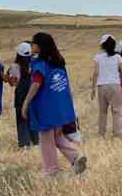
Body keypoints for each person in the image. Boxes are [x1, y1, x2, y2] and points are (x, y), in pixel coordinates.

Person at [22, 32, 87, 177]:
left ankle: (52, 171)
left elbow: (36, 84)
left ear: (39, 46)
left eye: (33, 43)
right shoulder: (58, 63)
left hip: (45, 107)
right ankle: (76, 156)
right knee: (56, 137)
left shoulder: (40, 65)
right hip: (60, 106)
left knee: (45, 139)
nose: (31, 45)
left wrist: (26, 102)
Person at [90, 34, 122, 137]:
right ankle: (117, 133)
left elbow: (96, 73)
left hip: (102, 86)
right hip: (115, 85)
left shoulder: (98, 57)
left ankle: (101, 134)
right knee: (117, 111)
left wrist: (93, 89)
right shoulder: (118, 57)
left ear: (102, 45)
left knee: (102, 112)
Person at [6, 41, 39, 149]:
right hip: (34, 95)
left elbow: (13, 83)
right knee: (33, 118)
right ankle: (36, 141)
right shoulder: (35, 63)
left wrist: (8, 78)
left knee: (22, 120)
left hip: (20, 96)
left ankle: (24, 143)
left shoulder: (15, 67)